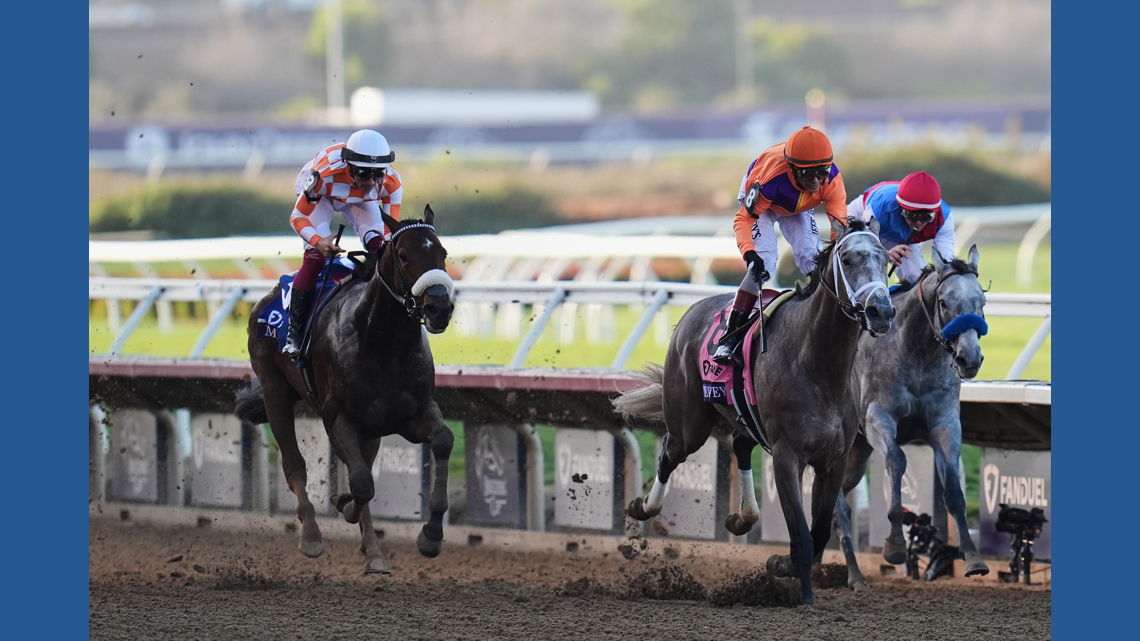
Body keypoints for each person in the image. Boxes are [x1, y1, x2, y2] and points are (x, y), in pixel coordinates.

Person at [712, 126, 848, 366]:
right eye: (808, 174)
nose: (816, 181)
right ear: (792, 168)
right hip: (763, 201)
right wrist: (749, 254)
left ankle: (828, 324)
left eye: (821, 172)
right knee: (764, 262)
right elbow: (744, 219)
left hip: (797, 205)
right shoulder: (769, 179)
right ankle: (730, 336)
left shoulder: (833, 180)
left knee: (814, 258)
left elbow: (840, 229)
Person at [282, 128, 403, 359]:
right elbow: (297, 217)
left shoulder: (391, 183)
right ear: (349, 166)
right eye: (364, 174)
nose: (371, 182)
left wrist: (381, 247)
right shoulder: (324, 173)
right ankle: (294, 337)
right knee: (316, 258)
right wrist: (317, 241)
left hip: (359, 201)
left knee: (381, 248)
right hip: (323, 194)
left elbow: (389, 233)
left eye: (377, 174)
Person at [847, 171, 954, 286]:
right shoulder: (880, 209)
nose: (918, 223)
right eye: (912, 216)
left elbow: (947, 263)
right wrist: (886, 254)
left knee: (918, 280)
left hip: (899, 235)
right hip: (862, 219)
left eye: (926, 217)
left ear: (935, 213)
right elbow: (864, 249)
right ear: (900, 208)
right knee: (863, 273)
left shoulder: (945, 218)